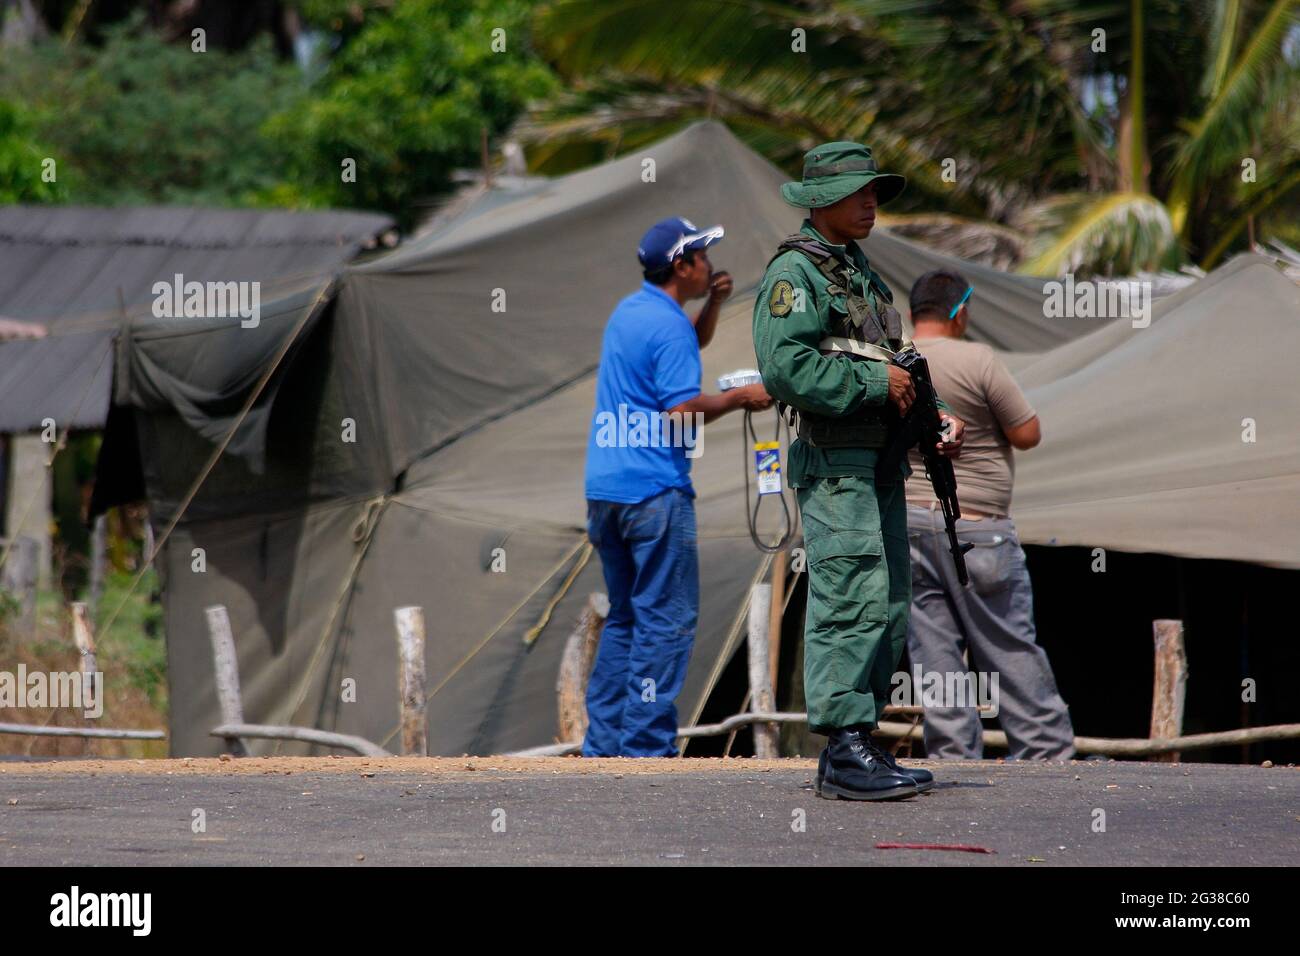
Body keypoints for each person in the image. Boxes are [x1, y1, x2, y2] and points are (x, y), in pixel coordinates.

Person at [752, 144, 965, 800]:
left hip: (877, 462)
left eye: (874, 190)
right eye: (856, 191)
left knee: (889, 601)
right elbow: (785, 366)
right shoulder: (796, 274)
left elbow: (893, 360)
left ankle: (858, 741)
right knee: (851, 597)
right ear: (820, 201)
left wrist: (937, 419)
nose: (871, 201)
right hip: (836, 464)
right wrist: (878, 381)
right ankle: (843, 746)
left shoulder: (860, 274)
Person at [583, 217, 771, 757]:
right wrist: (739, 398)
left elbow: (679, 346)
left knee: (625, 616)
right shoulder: (666, 326)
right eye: (703, 257)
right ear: (682, 266)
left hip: (606, 491)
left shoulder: (633, 312)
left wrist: (711, 306)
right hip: (653, 492)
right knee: (665, 621)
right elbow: (681, 409)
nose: (711, 264)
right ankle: (645, 750)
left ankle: (605, 746)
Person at [904, 269, 1075, 760]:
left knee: (933, 652)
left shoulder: (894, 362)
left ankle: (953, 755)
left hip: (910, 524)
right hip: (978, 528)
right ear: (959, 312)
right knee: (1007, 645)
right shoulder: (977, 359)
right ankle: (1045, 753)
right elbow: (1027, 433)